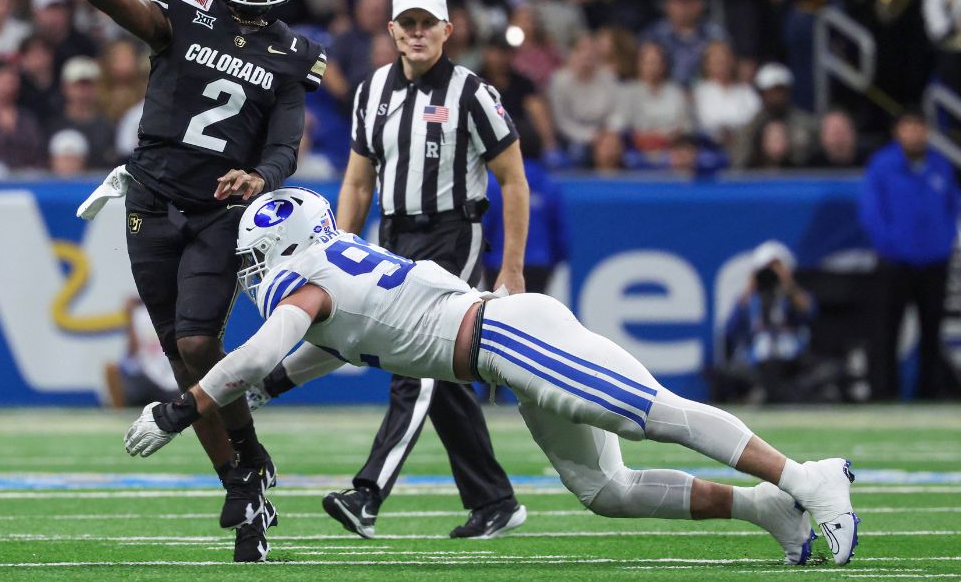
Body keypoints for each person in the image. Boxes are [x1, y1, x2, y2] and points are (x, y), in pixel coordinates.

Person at [124, 188, 862, 568]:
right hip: (500, 347)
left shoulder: (307, 283)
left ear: (282, 248)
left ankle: (808, 476)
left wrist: (181, 408)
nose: (254, 277)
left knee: (650, 412)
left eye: (256, 262)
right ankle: (768, 509)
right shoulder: (327, 284)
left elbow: (260, 349)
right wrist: (268, 389)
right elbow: (326, 346)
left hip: (507, 336)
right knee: (607, 490)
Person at [0, 0, 327, 562]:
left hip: (217, 209)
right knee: (182, 361)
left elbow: (284, 144)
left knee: (202, 343)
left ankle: (249, 463)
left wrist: (261, 179)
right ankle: (243, 483)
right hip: (150, 200)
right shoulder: (183, 11)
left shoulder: (293, 54)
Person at [263, 0, 529, 541]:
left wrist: (512, 269)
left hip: (456, 234)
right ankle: (494, 500)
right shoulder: (372, 90)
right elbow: (358, 181)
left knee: (415, 362)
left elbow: (514, 181)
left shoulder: (473, 93)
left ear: (447, 31)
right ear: (390, 31)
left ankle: (368, 494)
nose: (416, 31)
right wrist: (335, 249)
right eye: (405, 23)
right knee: (440, 372)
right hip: (395, 236)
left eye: (426, 22)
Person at [859, 111, 961, 401]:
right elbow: (871, 212)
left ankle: (929, 392)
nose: (915, 133)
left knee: (932, 331)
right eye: (909, 126)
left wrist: (944, 243)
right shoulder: (883, 165)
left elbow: (953, 206)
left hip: (934, 262)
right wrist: (891, 245)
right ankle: (883, 393)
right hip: (895, 263)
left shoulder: (939, 165)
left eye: (920, 126)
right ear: (898, 131)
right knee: (886, 330)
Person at [721, 241, 817, 403]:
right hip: (758, 359)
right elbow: (731, 330)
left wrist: (788, 285)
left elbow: (809, 313)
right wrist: (751, 289)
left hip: (791, 358)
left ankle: (770, 393)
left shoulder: (791, 296)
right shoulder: (751, 301)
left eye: (777, 267)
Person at [481, 160, 568, 294]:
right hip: (539, 265)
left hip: (498, 264)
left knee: (498, 313)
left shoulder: (491, 184)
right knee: (534, 313)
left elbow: (484, 227)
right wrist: (553, 260)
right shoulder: (549, 183)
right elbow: (560, 232)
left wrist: (484, 259)